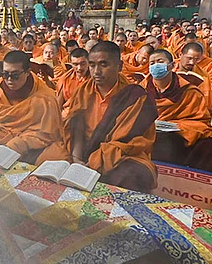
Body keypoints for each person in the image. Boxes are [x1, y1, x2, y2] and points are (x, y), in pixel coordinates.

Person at [37, 41, 158, 192]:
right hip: (83, 149)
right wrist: (76, 158)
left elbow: (128, 142)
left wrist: (93, 162)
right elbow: (76, 127)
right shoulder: (84, 90)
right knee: (47, 158)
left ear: (119, 66)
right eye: (92, 65)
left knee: (134, 175)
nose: (96, 71)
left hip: (119, 153)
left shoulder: (135, 97)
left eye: (103, 64)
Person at [0, 51, 66, 163]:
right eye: (5, 74)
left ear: (27, 72)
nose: (9, 80)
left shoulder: (46, 99)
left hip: (30, 145)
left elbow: (48, 133)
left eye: (15, 75)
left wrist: (20, 142)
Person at [144, 49, 212, 171]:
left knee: (207, 143)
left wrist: (179, 126)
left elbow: (201, 121)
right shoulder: (142, 89)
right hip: (151, 131)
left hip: (182, 131)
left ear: (172, 65)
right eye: (152, 63)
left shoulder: (189, 91)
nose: (156, 66)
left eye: (160, 61)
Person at [56, 47, 90, 112]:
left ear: (88, 62)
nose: (79, 68)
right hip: (66, 115)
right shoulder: (66, 79)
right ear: (71, 64)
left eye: (83, 64)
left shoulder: (94, 80)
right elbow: (58, 105)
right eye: (75, 64)